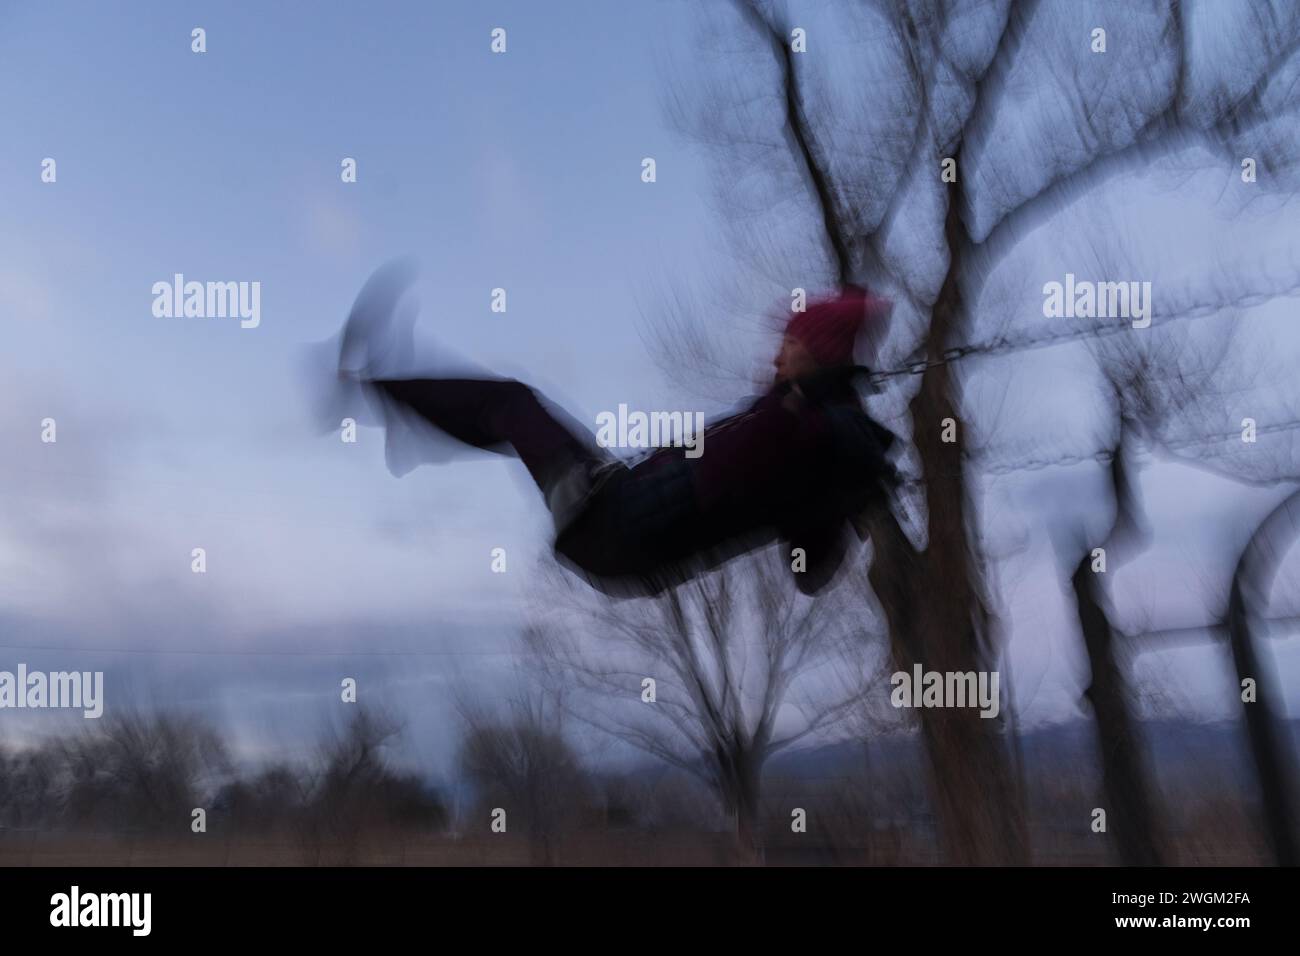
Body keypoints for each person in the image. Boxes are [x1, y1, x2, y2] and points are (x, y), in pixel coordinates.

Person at [327, 262, 900, 597]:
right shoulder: (806, 422)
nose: (776, 358)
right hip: (621, 525)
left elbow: (808, 565)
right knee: (508, 409)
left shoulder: (815, 429)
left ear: (818, 356)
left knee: (511, 405)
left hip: (619, 524)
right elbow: (805, 555)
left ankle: (377, 386)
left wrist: (844, 490)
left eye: (791, 345)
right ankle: (391, 397)